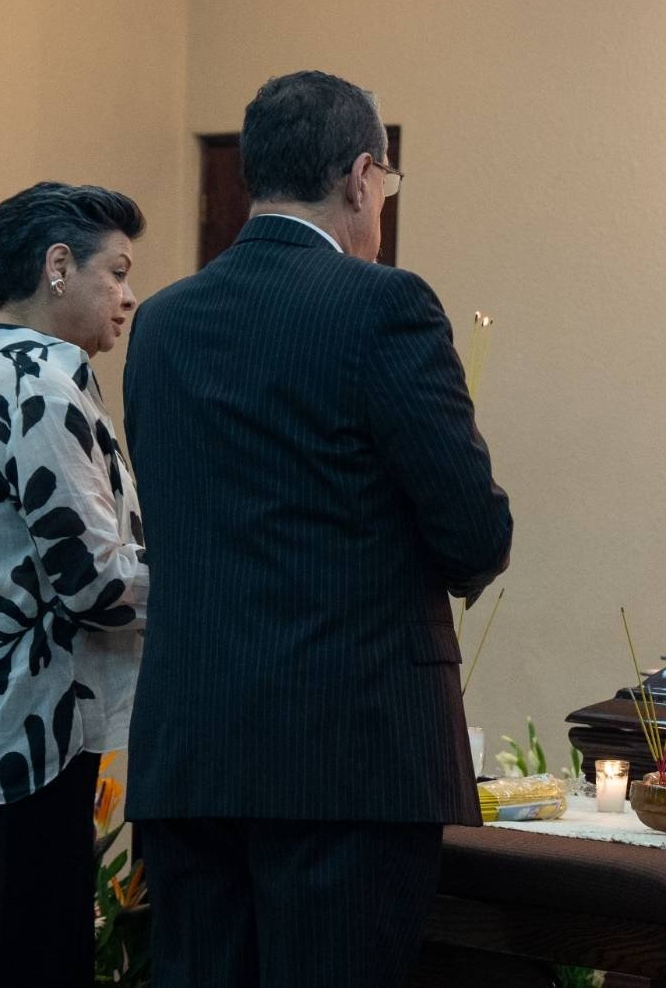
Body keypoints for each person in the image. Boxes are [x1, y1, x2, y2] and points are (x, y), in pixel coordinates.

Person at [123, 69, 512, 987]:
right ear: (362, 177)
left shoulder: (164, 324)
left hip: (193, 749)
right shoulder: (384, 306)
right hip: (346, 755)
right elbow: (470, 530)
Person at [0, 182, 148, 988]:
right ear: (57, 267)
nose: (128, 295)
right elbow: (96, 584)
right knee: (33, 961)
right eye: (115, 272)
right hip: (28, 728)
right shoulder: (41, 378)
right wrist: (209, 578)